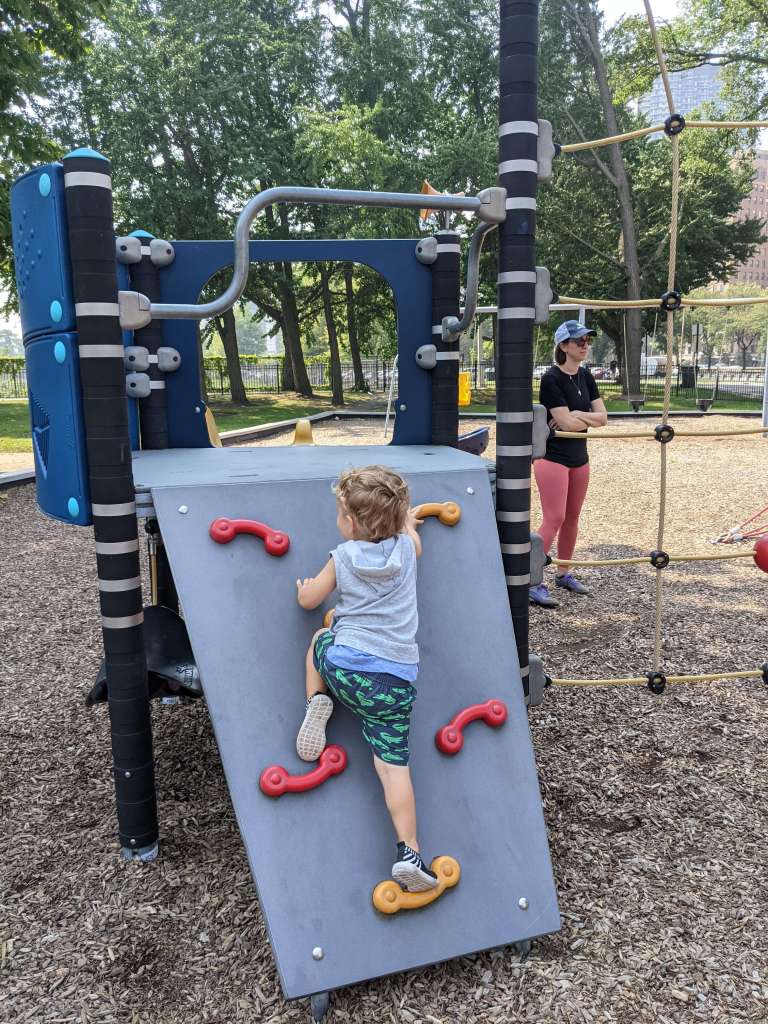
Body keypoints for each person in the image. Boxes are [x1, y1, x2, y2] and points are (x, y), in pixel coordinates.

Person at [295, 465, 437, 892]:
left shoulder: (342, 557)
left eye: (341, 514)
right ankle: (410, 852)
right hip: (394, 685)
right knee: (393, 769)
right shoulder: (406, 550)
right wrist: (407, 523)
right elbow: (415, 541)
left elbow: (309, 601)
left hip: (345, 669)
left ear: (352, 523)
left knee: (320, 639)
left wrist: (304, 587)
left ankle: (317, 700)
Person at [529, 320, 608, 608]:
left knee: (572, 518)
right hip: (553, 458)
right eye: (579, 341)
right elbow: (565, 423)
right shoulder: (551, 378)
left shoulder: (585, 376)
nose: (585, 345)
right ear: (563, 345)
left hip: (579, 458)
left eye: (587, 340)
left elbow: (603, 418)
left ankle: (563, 573)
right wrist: (580, 418)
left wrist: (577, 414)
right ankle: (531, 580)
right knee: (555, 518)